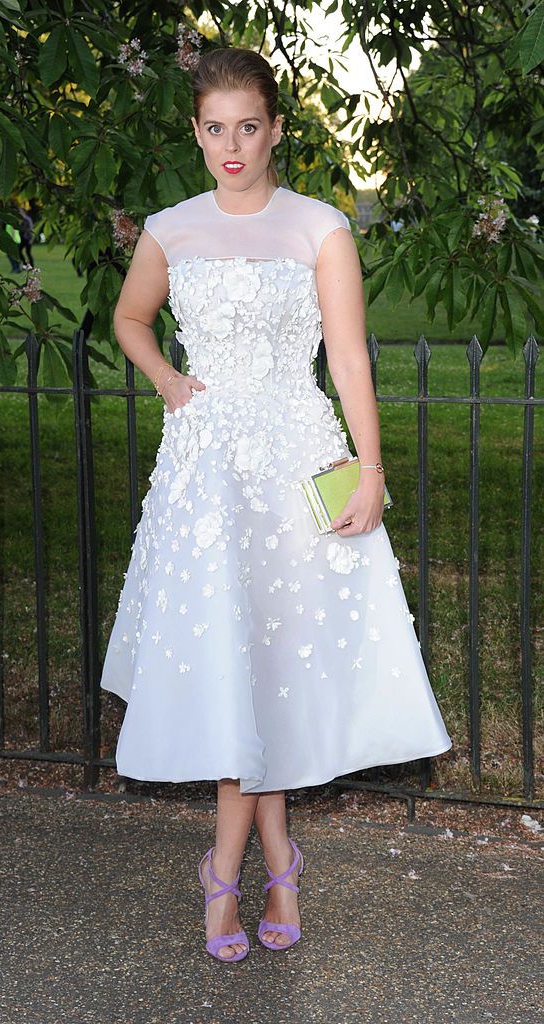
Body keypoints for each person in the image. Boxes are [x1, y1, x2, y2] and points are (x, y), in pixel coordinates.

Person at [100, 46, 452, 963]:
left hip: (298, 458)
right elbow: (129, 320)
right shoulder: (171, 227)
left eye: (247, 126)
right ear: (195, 130)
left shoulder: (320, 227)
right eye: (214, 127)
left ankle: (238, 869)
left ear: (276, 131)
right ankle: (270, 861)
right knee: (229, 668)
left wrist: (369, 470)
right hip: (207, 475)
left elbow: (350, 361)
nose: (231, 145)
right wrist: (174, 383)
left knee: (271, 672)